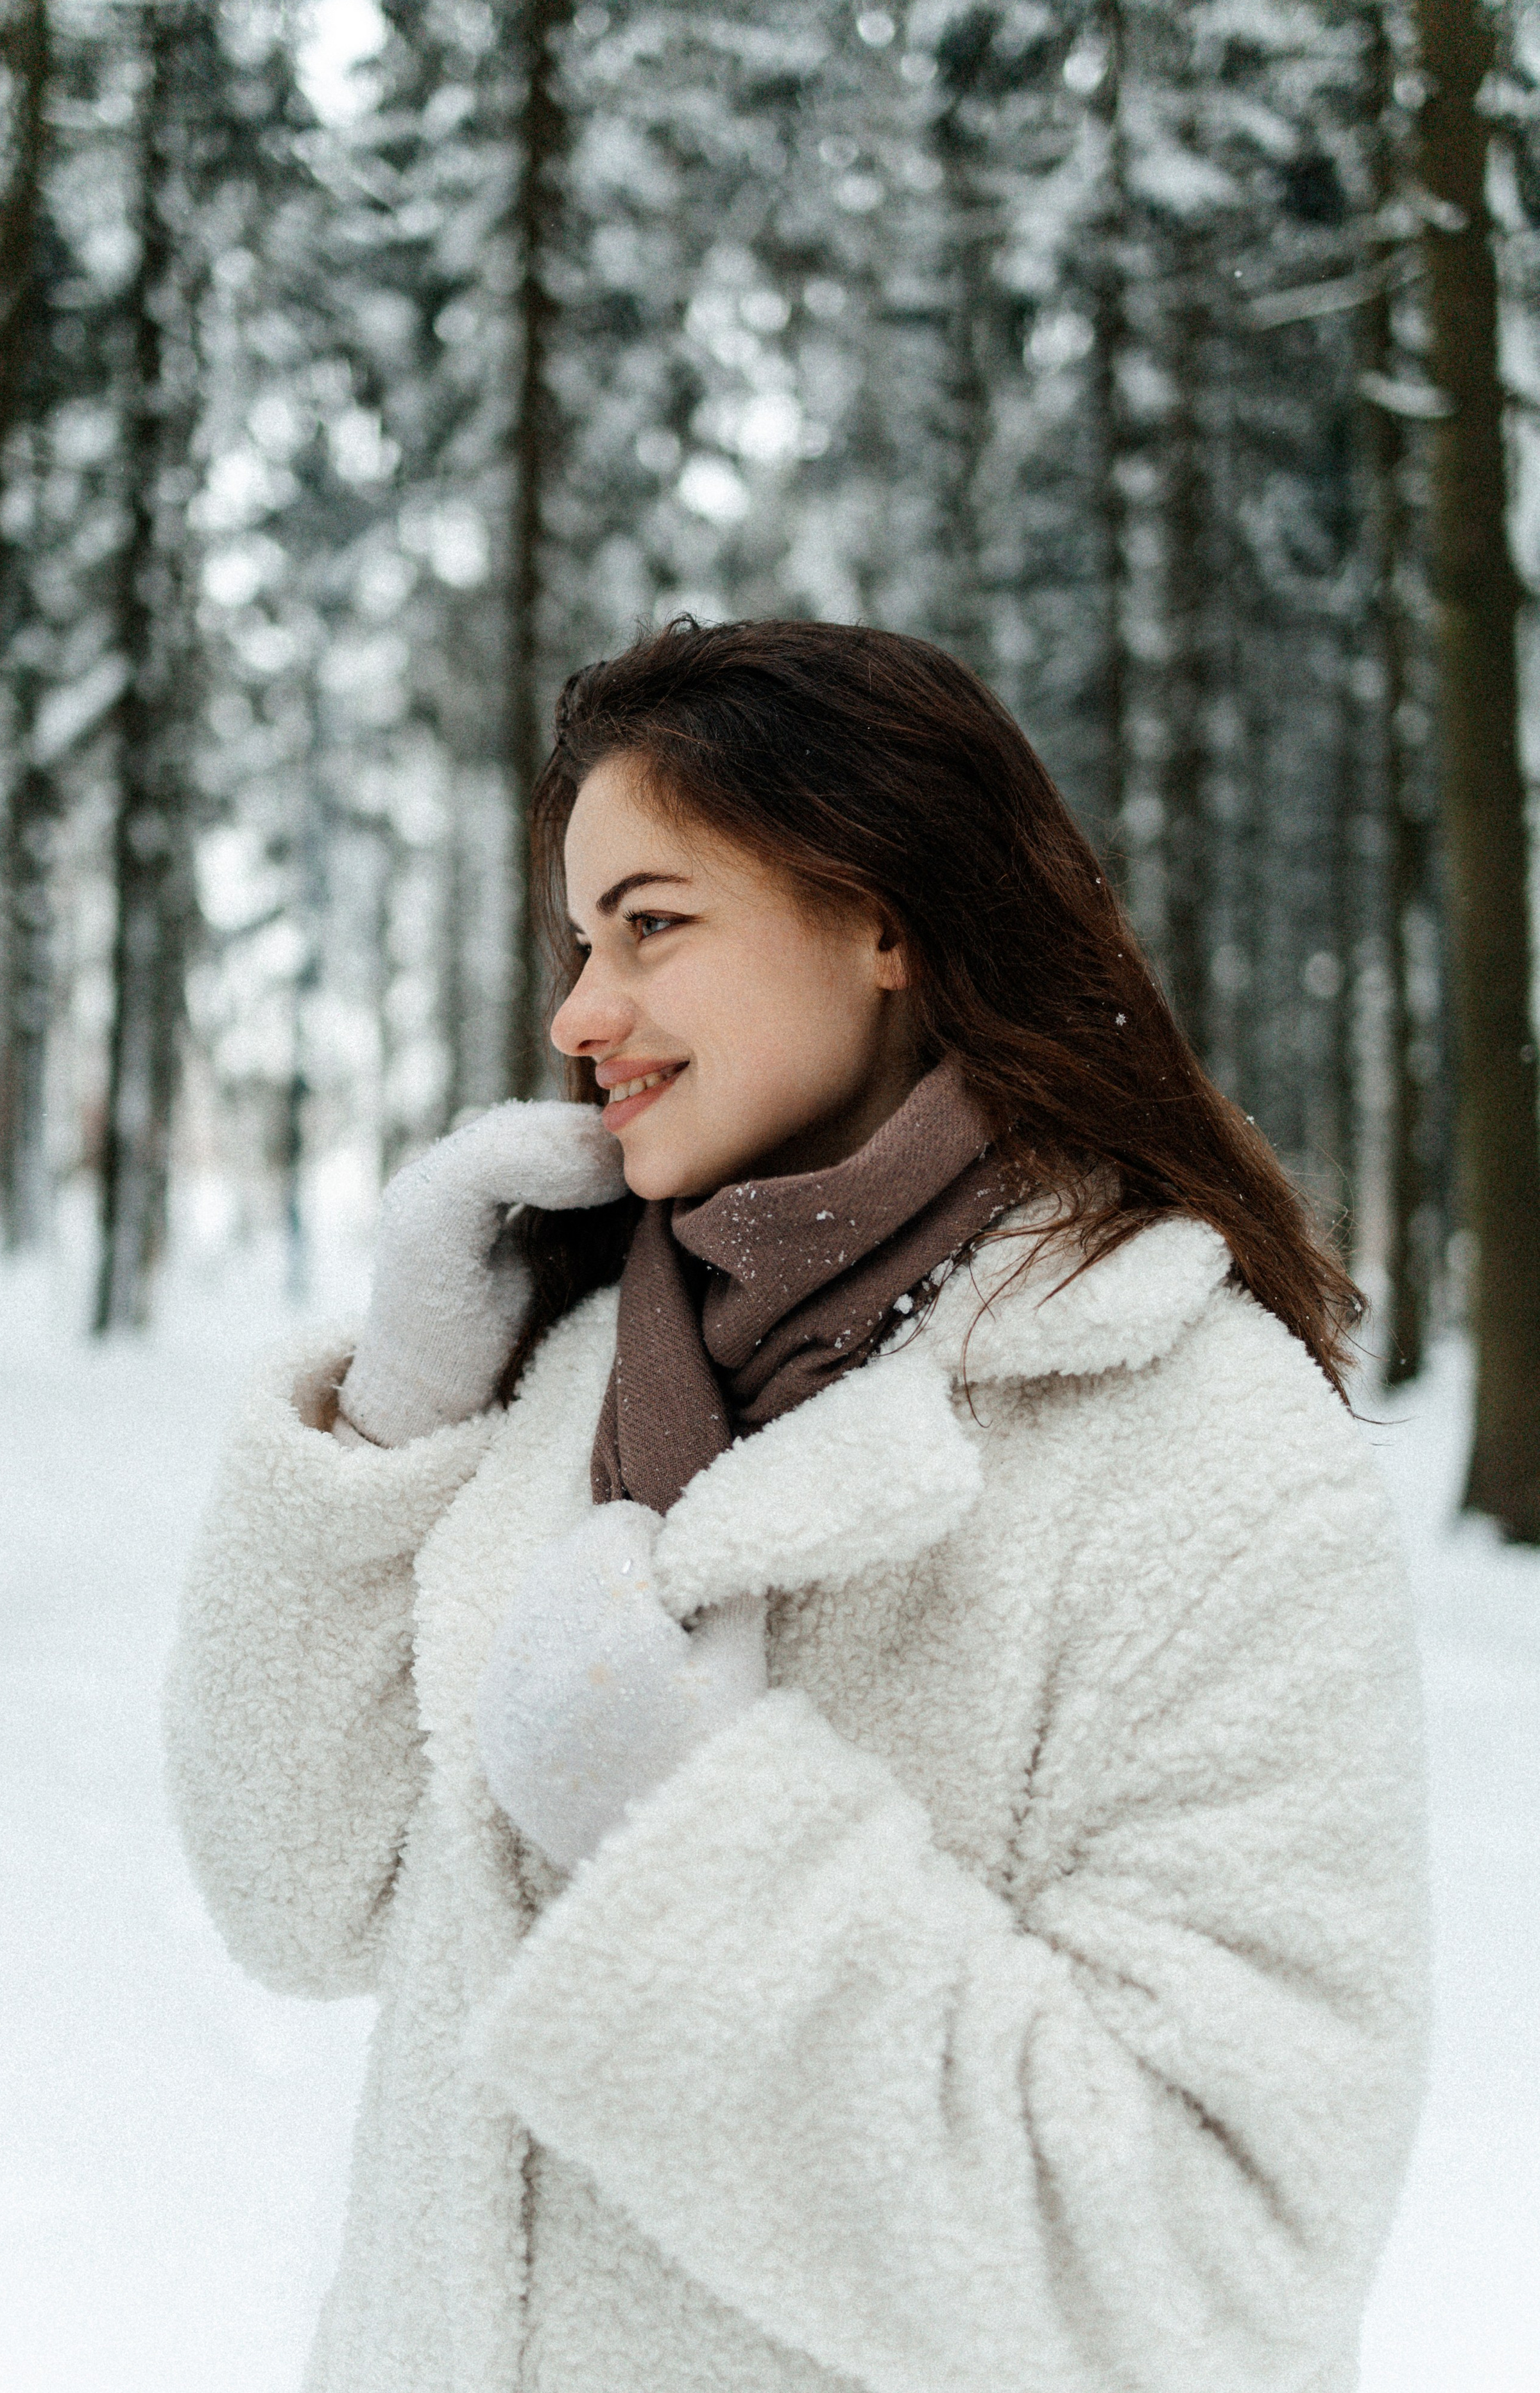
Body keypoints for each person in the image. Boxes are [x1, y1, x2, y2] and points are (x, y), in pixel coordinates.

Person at [166, 617, 1429, 2393]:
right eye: (577, 941)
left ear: (885, 917)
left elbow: (1218, 2273)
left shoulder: (1200, 1450)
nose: (577, 1014)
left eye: (652, 926)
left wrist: (689, 1841)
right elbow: (296, 1898)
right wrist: (397, 1423)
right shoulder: (570, 1381)